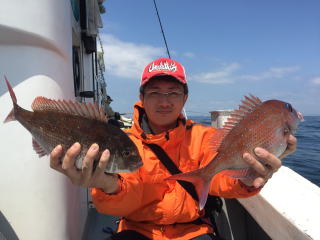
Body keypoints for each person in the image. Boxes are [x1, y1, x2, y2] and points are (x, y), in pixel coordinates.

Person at [50, 57, 297, 240]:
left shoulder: (205, 137)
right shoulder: (124, 143)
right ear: (142, 97)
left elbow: (222, 180)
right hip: (137, 230)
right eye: (155, 92)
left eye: (173, 92)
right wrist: (107, 186)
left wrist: (249, 176)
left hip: (194, 231)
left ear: (185, 98)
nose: (165, 101)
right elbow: (123, 200)